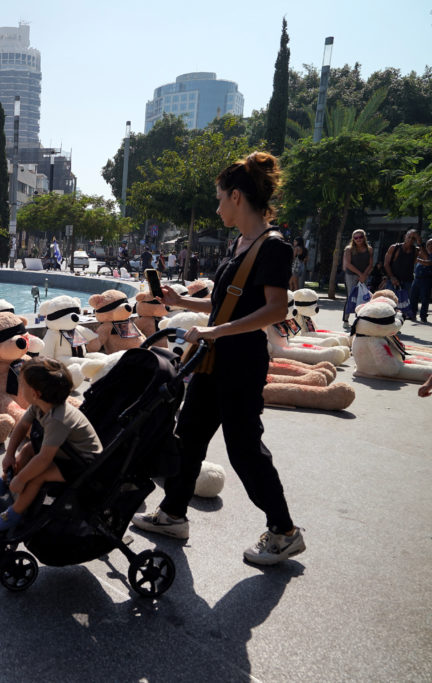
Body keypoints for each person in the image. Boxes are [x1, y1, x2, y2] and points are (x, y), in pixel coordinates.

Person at [131, 151, 305, 565]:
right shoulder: (240, 243)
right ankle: (173, 513)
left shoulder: (274, 247)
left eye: (220, 198)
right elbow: (230, 302)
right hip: (214, 360)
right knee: (188, 435)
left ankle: (284, 531)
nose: (217, 206)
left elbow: (277, 309)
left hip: (241, 363)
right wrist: (183, 301)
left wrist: (217, 331)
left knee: (244, 449)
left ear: (238, 197)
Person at [0, 357, 102, 532]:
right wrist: (9, 455)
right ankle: (2, 482)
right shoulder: (39, 405)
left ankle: (14, 514)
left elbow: (43, 459)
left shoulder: (58, 419)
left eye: (22, 383)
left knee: (36, 477)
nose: (19, 386)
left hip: (82, 464)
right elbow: (21, 427)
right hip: (66, 452)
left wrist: (21, 478)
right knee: (28, 448)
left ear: (36, 393)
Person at [384, 229, 422, 321]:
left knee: (402, 306)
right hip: (393, 280)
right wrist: (392, 277)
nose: (410, 240)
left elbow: (426, 257)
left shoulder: (416, 250)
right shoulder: (395, 247)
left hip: (407, 281)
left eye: (413, 238)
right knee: (390, 303)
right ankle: (387, 323)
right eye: (409, 237)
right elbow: (386, 264)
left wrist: (419, 241)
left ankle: (397, 324)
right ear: (405, 237)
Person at [341, 229, 373, 329]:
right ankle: (345, 320)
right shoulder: (348, 249)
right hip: (351, 275)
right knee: (351, 296)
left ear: (364, 237)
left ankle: (359, 319)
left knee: (363, 297)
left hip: (364, 275)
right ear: (353, 239)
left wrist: (364, 275)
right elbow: (348, 264)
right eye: (356, 238)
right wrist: (360, 274)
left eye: (360, 237)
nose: (358, 239)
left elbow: (370, 264)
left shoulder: (369, 249)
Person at [411, 237, 432, 324]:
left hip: (427, 279)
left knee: (424, 298)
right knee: (413, 297)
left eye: (431, 244)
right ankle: (412, 314)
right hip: (416, 278)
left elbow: (429, 263)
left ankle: (423, 316)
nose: (430, 246)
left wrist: (418, 260)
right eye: (428, 244)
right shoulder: (422, 253)